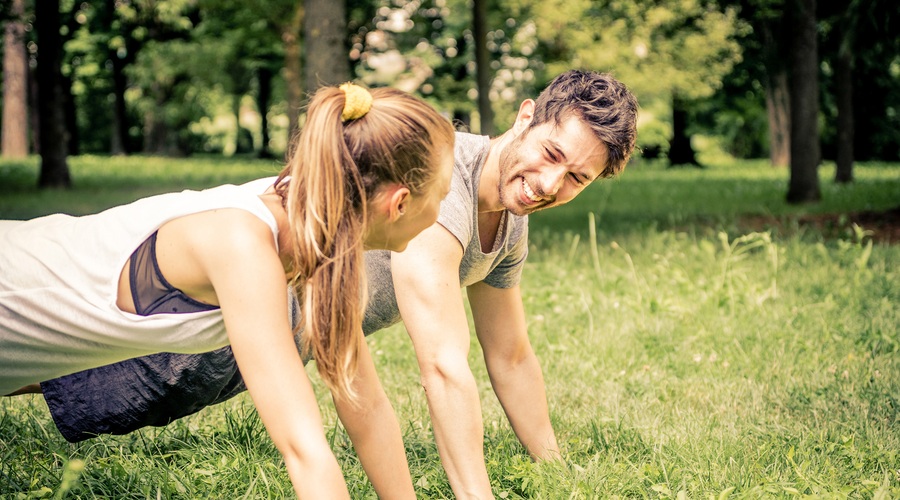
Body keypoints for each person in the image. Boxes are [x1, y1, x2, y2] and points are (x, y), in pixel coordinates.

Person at [20, 70, 638, 497]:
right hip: (179, 323)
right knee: (56, 366)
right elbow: (435, 370)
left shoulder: (341, 264)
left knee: (58, 360)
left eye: (576, 178)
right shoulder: (430, 173)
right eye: (553, 155)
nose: (552, 185)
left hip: (236, 328)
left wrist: (551, 469)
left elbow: (488, 360)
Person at [0, 83, 456, 499]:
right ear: (399, 203)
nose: (441, 210)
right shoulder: (243, 244)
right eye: (443, 194)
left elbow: (366, 404)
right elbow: (303, 447)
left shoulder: (315, 226)